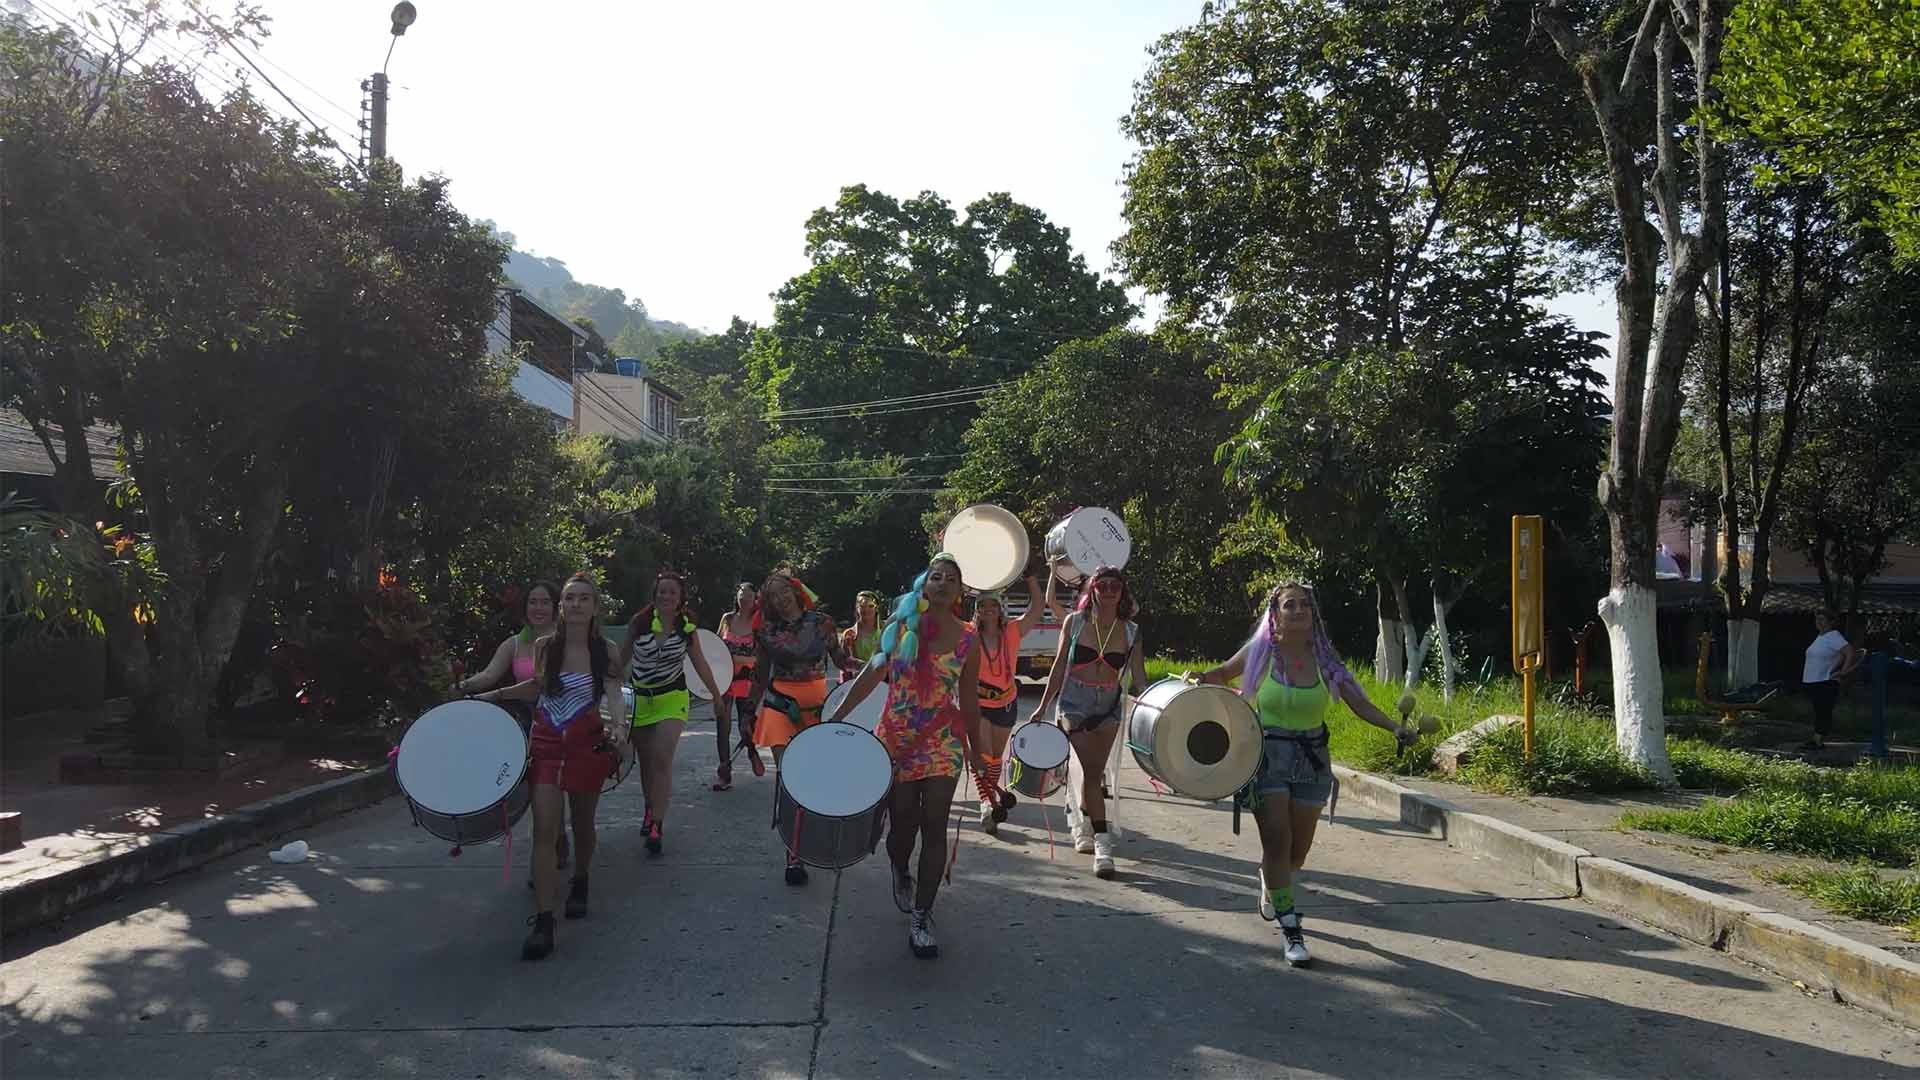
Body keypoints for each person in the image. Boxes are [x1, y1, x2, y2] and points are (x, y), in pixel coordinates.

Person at [1197, 582, 1418, 967]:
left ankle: (1273, 880)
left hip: (1313, 761)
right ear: (1275, 614)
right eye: (1289, 605)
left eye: (1304, 605)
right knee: (1278, 842)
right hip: (1267, 758)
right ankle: (1291, 928)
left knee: (1296, 854)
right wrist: (1196, 683)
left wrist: (1394, 728)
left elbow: (1358, 703)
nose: (1298, 610)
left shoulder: (1325, 660)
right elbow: (1221, 674)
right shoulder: (1260, 654)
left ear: (1313, 614)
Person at [829, 554, 988, 959]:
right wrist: (836, 716)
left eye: (952, 578)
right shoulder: (900, 627)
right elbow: (871, 675)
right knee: (902, 828)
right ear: (924, 584)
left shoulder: (970, 639)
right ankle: (900, 869)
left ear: (960, 590)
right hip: (896, 740)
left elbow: (969, 703)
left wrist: (980, 753)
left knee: (934, 824)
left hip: (943, 741)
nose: (943, 582)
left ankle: (921, 915)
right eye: (936, 576)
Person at [472, 572, 623, 960]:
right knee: (545, 828)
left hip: (587, 741)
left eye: (583, 599)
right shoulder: (544, 647)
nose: (575, 605)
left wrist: (619, 727)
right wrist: (494, 694)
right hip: (547, 739)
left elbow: (613, 694)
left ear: (594, 606)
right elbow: (538, 688)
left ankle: (582, 878)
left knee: (583, 822)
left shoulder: (605, 649)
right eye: (570, 599)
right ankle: (543, 920)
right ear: (562, 607)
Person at [1028, 565, 1149, 879]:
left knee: (1094, 773)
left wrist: (1160, 701)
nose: (1108, 590)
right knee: (1092, 771)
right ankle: (1103, 844)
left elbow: (1139, 678)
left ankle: (1083, 818)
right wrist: (1042, 706)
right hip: (1074, 703)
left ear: (1122, 593)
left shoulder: (1132, 632)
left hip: (1108, 705)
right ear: (1092, 589)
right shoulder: (1075, 623)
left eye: (1115, 586)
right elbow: (1058, 667)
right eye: (1102, 585)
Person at [455, 580, 573, 876]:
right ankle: (551, 842)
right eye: (533, 602)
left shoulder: (566, 641)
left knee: (552, 787)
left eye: (545, 602)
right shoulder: (514, 643)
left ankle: (557, 839)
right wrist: (462, 686)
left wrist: (495, 695)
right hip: (524, 726)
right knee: (538, 788)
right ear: (525, 608)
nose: (538, 608)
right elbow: (489, 675)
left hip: (562, 723)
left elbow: (545, 683)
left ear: (556, 607)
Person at [745, 570, 852, 885]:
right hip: (780, 706)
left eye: (783, 591)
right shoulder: (766, 630)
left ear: (795, 591)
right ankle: (793, 852)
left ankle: (811, 840)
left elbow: (841, 660)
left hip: (818, 706)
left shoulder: (822, 623)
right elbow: (760, 674)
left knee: (812, 779)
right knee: (790, 778)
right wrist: (748, 711)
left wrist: (874, 668)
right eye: (772, 595)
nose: (780, 598)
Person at [616, 571, 726, 856]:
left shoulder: (685, 628)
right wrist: (601, 686)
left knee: (662, 759)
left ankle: (657, 824)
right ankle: (649, 808)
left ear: (680, 599)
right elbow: (621, 659)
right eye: (661, 591)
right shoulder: (639, 623)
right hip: (641, 700)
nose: (666, 597)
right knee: (647, 762)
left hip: (672, 698)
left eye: (672, 593)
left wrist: (716, 695)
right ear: (654, 595)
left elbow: (700, 663)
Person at [971, 570, 1059, 835]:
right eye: (982, 606)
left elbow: (1037, 607)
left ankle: (989, 799)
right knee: (983, 754)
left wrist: (1031, 577)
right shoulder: (968, 634)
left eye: (992, 605)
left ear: (1000, 609)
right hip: (978, 703)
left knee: (995, 757)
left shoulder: (1012, 630)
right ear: (976, 611)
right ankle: (987, 803)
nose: (987, 610)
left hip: (1006, 702)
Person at [714, 582, 765, 790]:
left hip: (747, 680)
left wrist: (735, 658)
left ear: (755, 600)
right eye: (741, 594)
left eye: (749, 595)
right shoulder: (727, 619)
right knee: (722, 724)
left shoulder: (758, 623)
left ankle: (751, 750)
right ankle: (724, 771)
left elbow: (760, 657)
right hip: (724, 680)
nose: (744, 599)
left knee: (745, 725)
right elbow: (716, 646)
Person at [1802, 609, 1862, 750]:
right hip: (1813, 681)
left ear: (1831, 622)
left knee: (1824, 711)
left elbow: (1850, 652)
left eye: (1823, 619)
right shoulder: (1820, 637)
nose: (1819, 623)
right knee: (1818, 711)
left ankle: (1817, 740)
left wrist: (1843, 672)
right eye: (1817, 620)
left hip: (1826, 681)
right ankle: (1816, 739)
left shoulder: (1834, 636)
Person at [838, 590, 885, 678]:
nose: (866, 610)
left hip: (884, 682)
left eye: (870, 606)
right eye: (862, 606)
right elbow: (844, 663)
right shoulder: (849, 635)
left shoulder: (886, 630)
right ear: (857, 608)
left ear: (877, 608)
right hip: (857, 681)